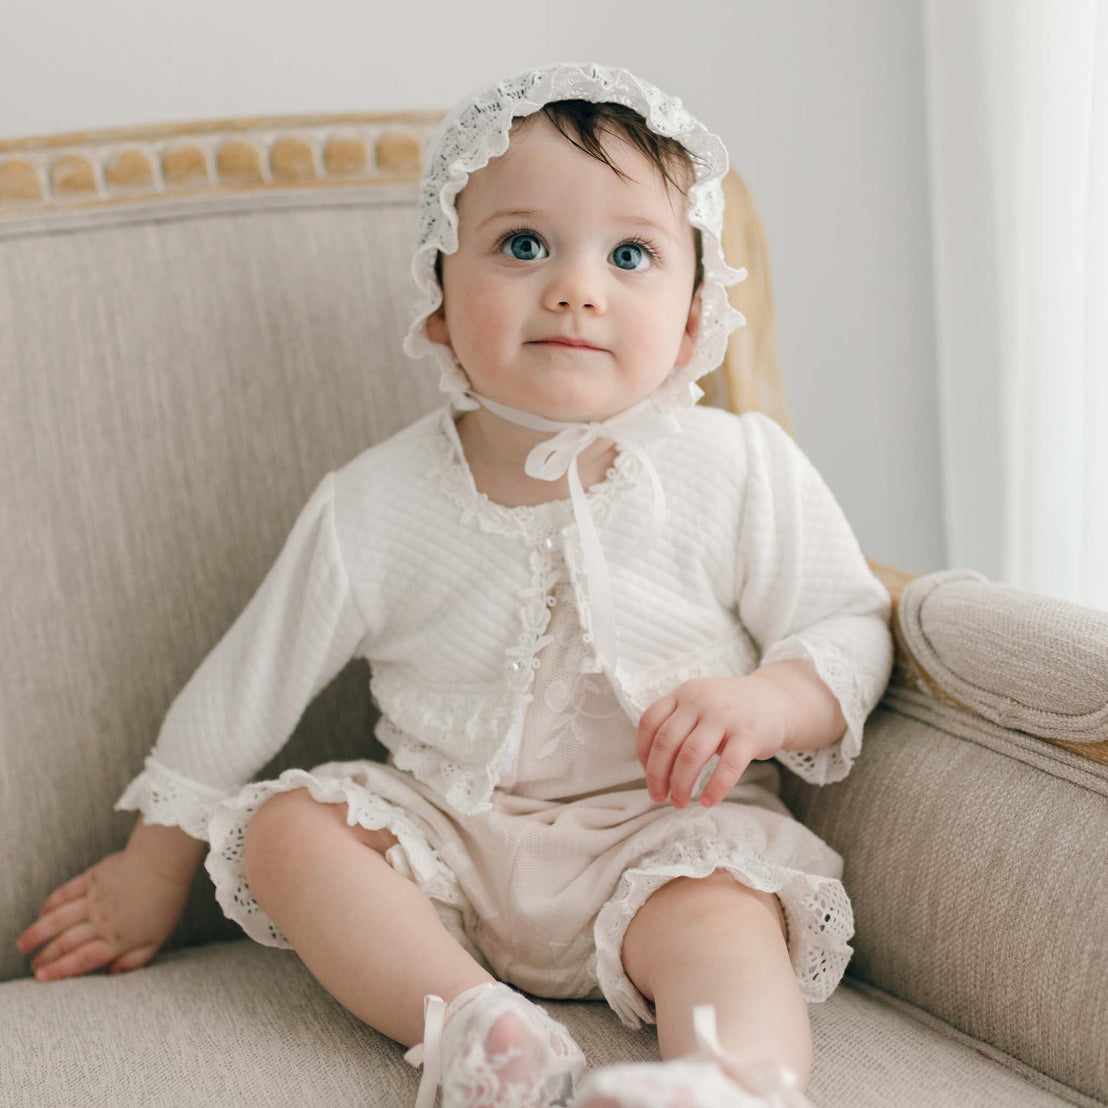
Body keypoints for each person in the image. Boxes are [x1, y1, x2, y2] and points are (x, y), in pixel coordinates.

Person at [14, 62, 894, 1108]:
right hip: (451, 852)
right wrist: (149, 870)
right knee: (292, 829)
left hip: (665, 838)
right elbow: (240, 692)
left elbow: (848, 622)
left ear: (696, 311)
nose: (576, 285)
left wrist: (764, 702)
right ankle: (479, 1030)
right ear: (436, 297)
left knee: (727, 919)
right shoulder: (376, 501)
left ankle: (728, 1079)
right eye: (524, 245)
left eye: (631, 254)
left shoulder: (735, 466)